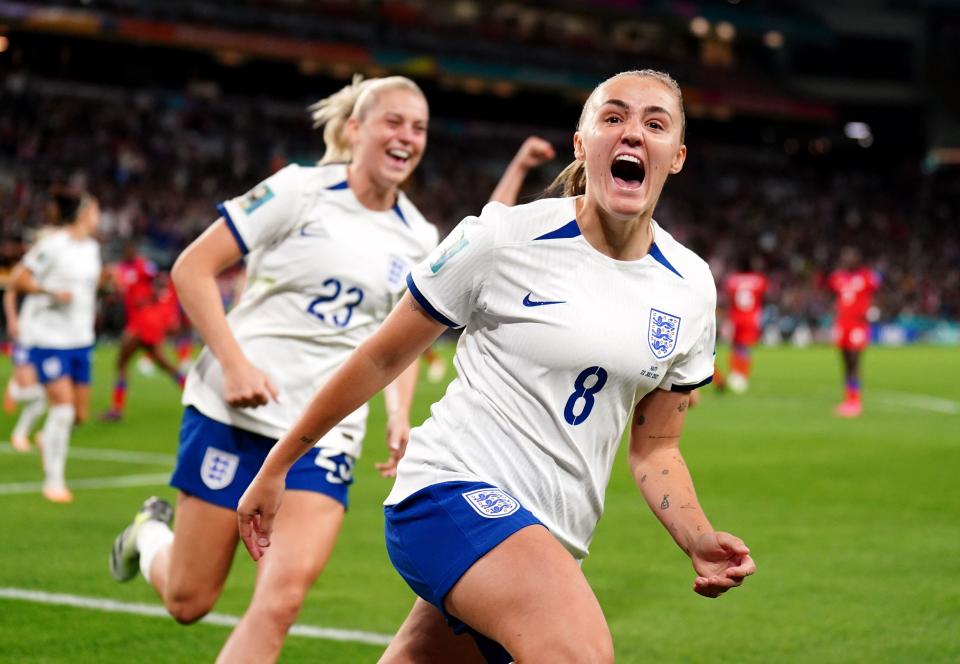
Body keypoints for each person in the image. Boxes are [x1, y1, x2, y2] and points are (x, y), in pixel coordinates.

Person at [237, 69, 756, 663]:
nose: (633, 133)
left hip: (550, 535)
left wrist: (697, 538)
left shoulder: (690, 286)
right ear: (582, 144)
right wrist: (279, 465)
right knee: (579, 655)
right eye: (613, 117)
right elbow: (382, 355)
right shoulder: (504, 238)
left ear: (678, 156)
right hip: (448, 494)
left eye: (654, 123)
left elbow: (656, 448)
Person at [107, 74, 439, 664]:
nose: (407, 137)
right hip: (235, 411)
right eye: (393, 121)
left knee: (280, 601)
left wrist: (396, 412)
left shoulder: (420, 237)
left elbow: (398, 342)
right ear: (356, 129)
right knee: (189, 600)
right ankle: (148, 535)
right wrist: (235, 366)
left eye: (418, 128)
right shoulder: (299, 190)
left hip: (325, 432)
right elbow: (191, 268)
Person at [7, 190, 102, 502]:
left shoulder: (91, 249)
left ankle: (48, 438)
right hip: (50, 340)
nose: (99, 217)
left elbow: (87, 287)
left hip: (81, 341)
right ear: (83, 213)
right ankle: (54, 481)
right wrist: (49, 292)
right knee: (61, 410)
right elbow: (18, 279)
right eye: (95, 210)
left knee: (79, 415)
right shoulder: (52, 244)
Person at [101, 241, 186, 421]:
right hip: (142, 323)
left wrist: (150, 299)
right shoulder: (124, 269)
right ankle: (190, 390)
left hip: (141, 324)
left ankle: (116, 409)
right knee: (165, 365)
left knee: (122, 364)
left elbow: (160, 279)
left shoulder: (142, 266)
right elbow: (125, 290)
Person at [827, 246, 881, 418]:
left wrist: (873, 308)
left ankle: (854, 402)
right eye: (844, 257)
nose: (846, 260)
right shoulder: (838, 278)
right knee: (845, 362)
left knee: (854, 361)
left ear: (857, 260)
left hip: (858, 325)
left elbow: (878, 291)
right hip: (843, 324)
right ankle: (848, 399)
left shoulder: (867, 277)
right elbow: (835, 297)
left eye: (849, 257)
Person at [721, 255, 768, 394]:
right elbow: (762, 298)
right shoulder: (759, 280)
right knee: (745, 348)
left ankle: (735, 374)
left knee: (735, 347)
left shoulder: (733, 280)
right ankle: (742, 376)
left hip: (736, 317)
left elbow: (729, 300)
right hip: (751, 318)